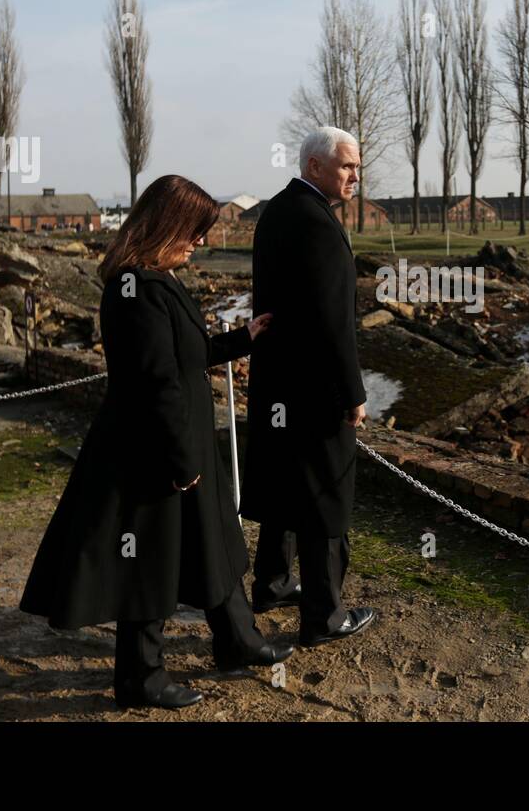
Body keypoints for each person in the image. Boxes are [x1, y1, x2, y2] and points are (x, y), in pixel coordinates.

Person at [19, 174, 293, 710]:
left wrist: (243, 339)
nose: (199, 242)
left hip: (178, 445)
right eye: (193, 231)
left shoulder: (154, 281)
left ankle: (237, 639)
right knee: (148, 562)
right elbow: (156, 382)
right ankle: (140, 677)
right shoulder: (134, 290)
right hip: (153, 453)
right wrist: (182, 460)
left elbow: (183, 356)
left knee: (215, 543)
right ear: (166, 227)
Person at [244, 127, 377, 646]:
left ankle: (274, 583)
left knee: (286, 483)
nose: (355, 177)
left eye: (357, 168)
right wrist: (352, 392)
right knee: (325, 494)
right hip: (315, 388)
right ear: (315, 166)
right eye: (347, 167)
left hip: (279, 380)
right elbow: (330, 321)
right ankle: (324, 616)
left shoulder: (278, 210)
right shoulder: (318, 223)